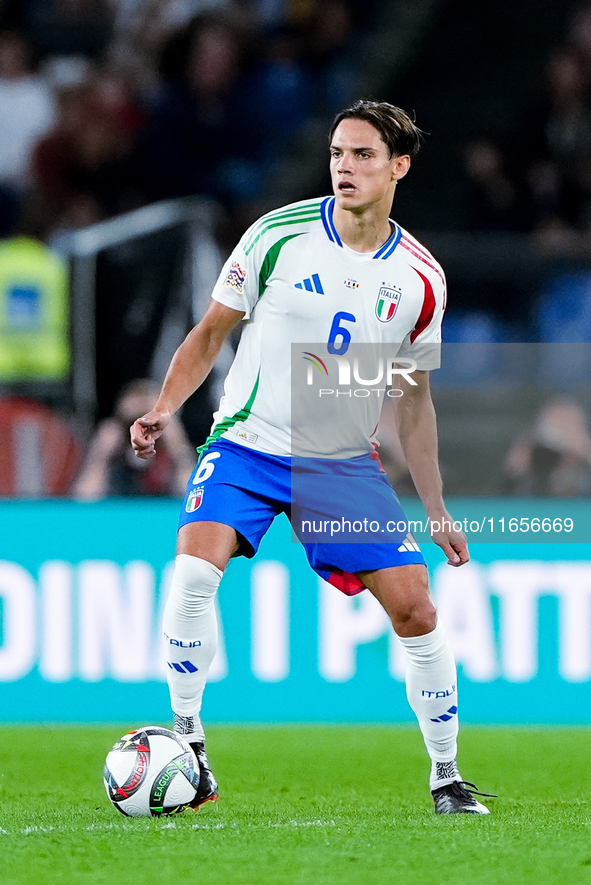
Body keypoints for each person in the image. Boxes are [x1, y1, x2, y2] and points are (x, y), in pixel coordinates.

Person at [131, 99, 492, 815]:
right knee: (193, 569)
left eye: (361, 155)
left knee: (416, 610)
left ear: (399, 166)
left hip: (339, 463)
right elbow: (209, 333)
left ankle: (446, 777)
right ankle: (188, 742)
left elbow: (413, 399)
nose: (343, 167)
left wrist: (437, 506)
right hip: (247, 440)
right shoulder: (277, 234)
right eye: (336, 154)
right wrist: (164, 407)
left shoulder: (421, 279)